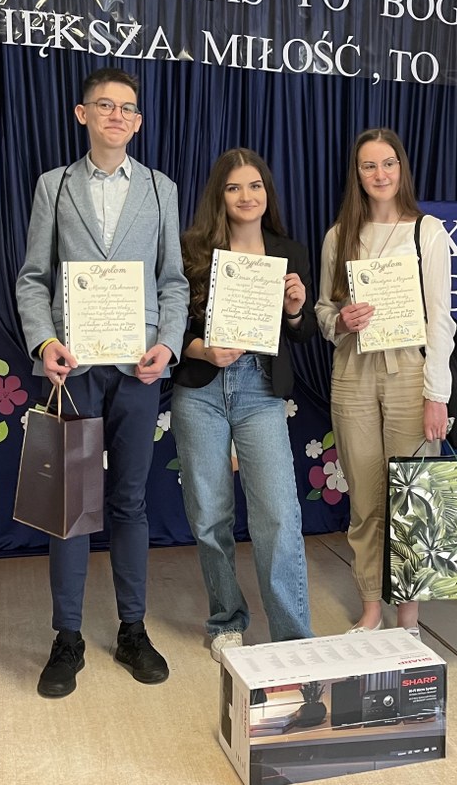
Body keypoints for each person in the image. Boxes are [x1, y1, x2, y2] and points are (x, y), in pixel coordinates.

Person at [15, 67, 188, 698]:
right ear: (82, 114)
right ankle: (67, 638)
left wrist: (168, 343)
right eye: (105, 105)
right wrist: (45, 342)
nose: (117, 115)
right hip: (75, 369)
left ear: (138, 122)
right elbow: (34, 279)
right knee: (69, 505)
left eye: (128, 108)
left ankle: (132, 630)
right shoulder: (54, 186)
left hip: (138, 368)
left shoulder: (161, 189)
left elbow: (173, 282)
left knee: (130, 502)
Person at [171, 148, 316, 661]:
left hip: (260, 389)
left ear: (267, 193)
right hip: (201, 391)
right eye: (234, 187)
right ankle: (225, 620)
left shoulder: (289, 253)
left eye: (255, 186)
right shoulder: (192, 249)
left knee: (278, 513)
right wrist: (201, 349)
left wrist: (294, 310)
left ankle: (292, 636)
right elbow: (168, 325)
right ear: (220, 195)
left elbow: (303, 333)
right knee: (209, 513)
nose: (246, 196)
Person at [316, 128, 456, 636]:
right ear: (357, 174)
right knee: (366, 501)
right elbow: (323, 311)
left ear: (402, 169)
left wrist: (436, 395)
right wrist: (340, 321)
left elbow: (441, 320)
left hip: (409, 375)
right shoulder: (339, 236)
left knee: (412, 496)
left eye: (388, 163)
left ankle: (409, 618)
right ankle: (371, 608)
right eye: (369, 166)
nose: (380, 174)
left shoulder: (427, 232)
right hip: (353, 374)